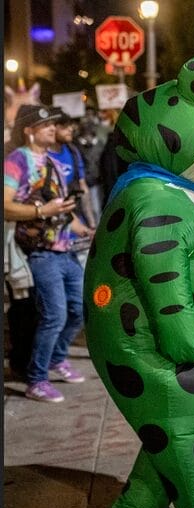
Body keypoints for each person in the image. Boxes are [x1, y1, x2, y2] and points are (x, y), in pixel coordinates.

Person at [3, 104, 91, 402]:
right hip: (40, 252)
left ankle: (56, 358)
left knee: (80, 309)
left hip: (65, 249)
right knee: (54, 314)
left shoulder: (51, 161)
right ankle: (36, 379)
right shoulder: (17, 160)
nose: (52, 129)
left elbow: (61, 206)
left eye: (54, 125)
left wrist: (82, 227)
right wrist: (42, 210)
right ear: (29, 131)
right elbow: (5, 205)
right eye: (45, 126)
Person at [48, 108, 96, 266]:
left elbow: (83, 188)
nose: (71, 129)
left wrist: (91, 223)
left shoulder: (73, 151)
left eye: (71, 125)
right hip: (53, 233)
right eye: (64, 126)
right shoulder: (42, 158)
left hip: (78, 226)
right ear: (52, 128)